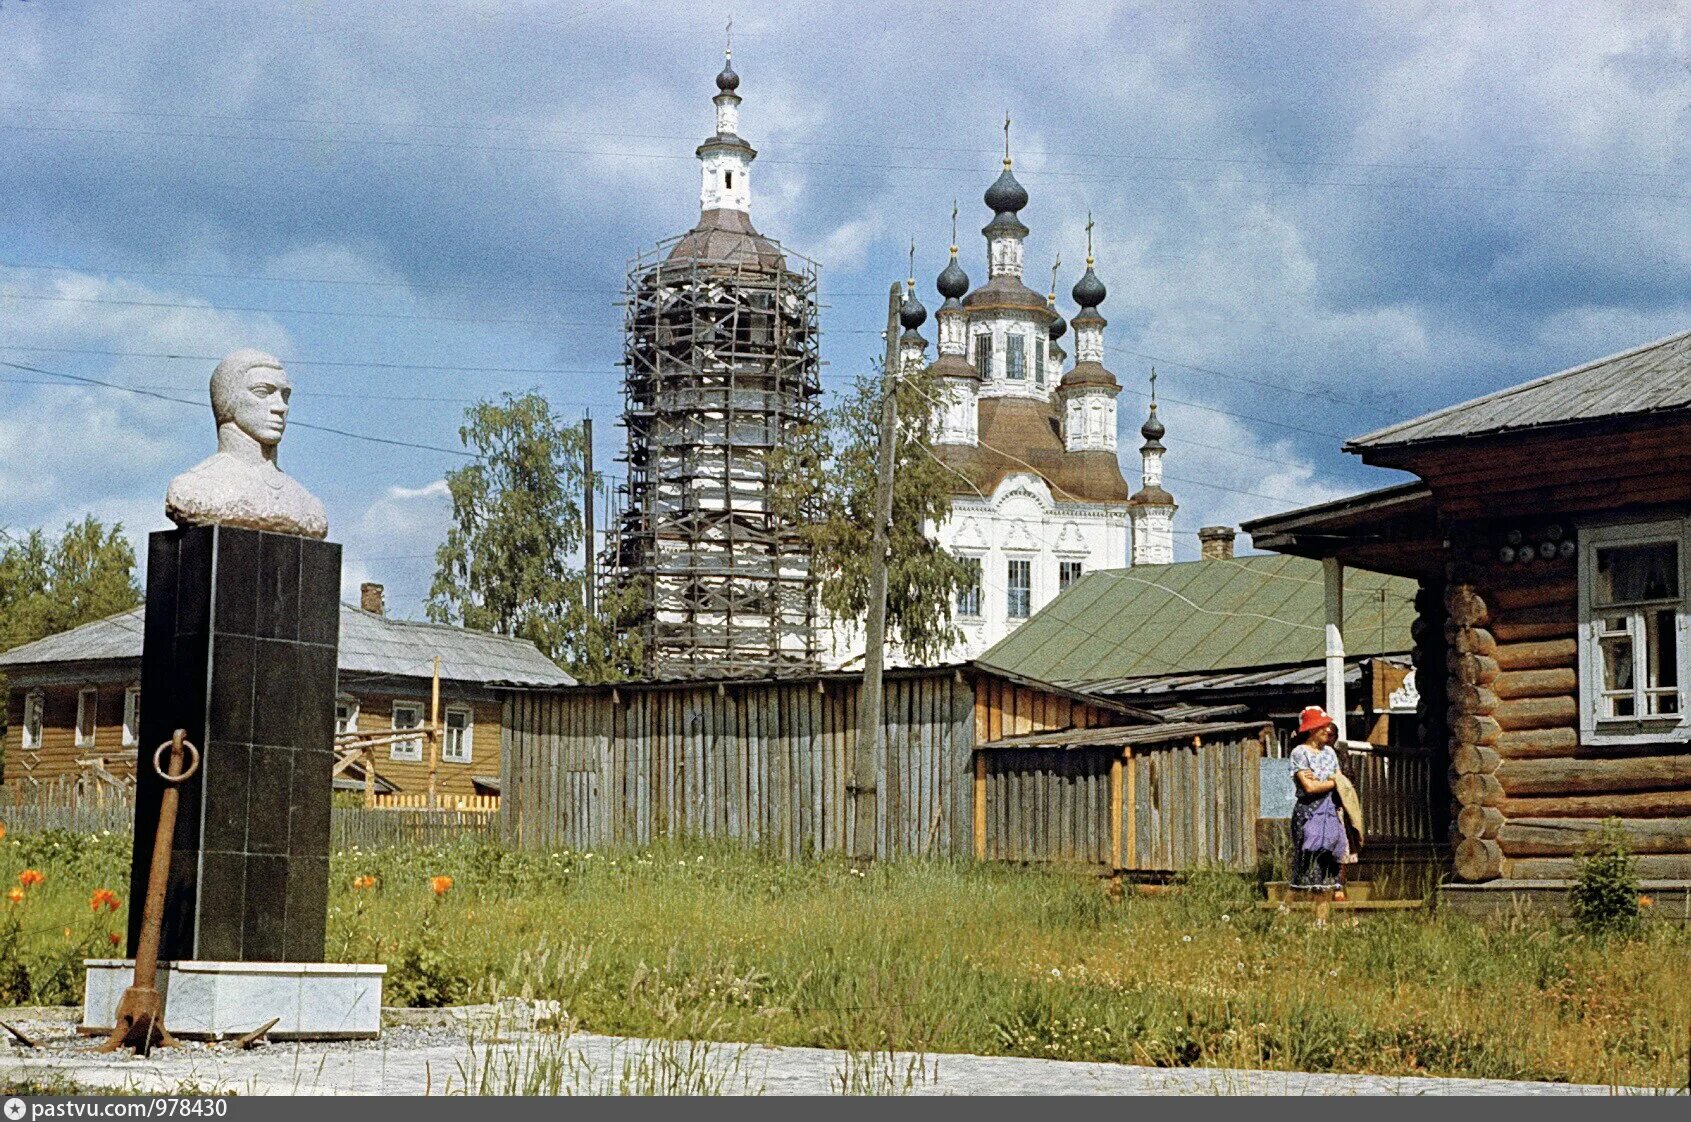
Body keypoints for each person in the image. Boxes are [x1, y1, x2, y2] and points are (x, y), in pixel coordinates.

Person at [165, 349, 329, 538]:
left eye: (284, 396)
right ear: (227, 399)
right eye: (262, 392)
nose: (280, 406)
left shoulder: (306, 504)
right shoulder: (193, 489)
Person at [1288, 705, 1349, 894]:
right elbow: (1310, 787)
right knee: (1306, 866)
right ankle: (1285, 915)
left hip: (1329, 811)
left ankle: (1321, 921)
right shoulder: (1300, 752)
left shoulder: (1330, 753)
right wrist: (1332, 781)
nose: (1328, 730)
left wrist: (1330, 780)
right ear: (1312, 729)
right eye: (1323, 726)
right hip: (1308, 812)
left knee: (1327, 866)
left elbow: (1341, 778)